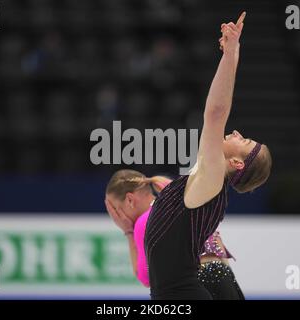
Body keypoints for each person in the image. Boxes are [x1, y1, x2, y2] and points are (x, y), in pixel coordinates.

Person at [144, 12, 272, 299]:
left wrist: (229, 54)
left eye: (245, 140)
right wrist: (233, 50)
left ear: (237, 163)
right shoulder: (204, 177)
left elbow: (215, 113)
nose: (237, 132)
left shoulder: (212, 179)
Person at [105, 169, 244, 299]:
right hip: (225, 275)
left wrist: (128, 232)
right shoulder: (175, 204)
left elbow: (147, 278)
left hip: (199, 282)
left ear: (130, 200)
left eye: (116, 210)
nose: (116, 217)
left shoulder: (145, 221)